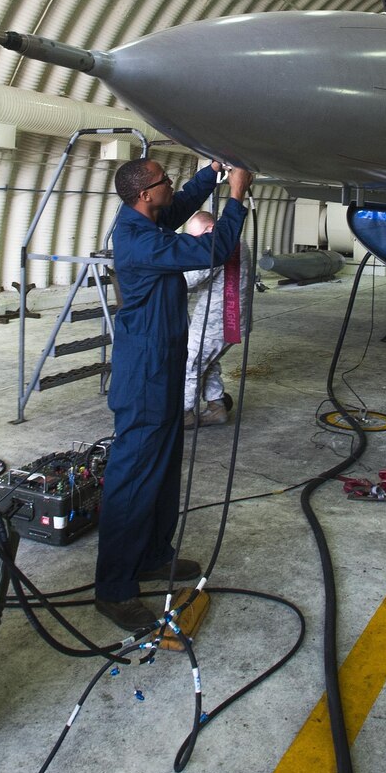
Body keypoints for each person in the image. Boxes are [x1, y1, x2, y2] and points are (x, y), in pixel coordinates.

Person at [94, 157, 249, 633]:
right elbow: (216, 247)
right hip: (143, 376)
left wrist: (210, 174)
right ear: (145, 194)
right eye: (164, 180)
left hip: (163, 366)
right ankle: (115, 588)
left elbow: (179, 204)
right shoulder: (140, 240)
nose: (170, 186)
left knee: (162, 469)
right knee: (134, 479)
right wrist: (237, 195)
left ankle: (153, 557)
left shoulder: (146, 217)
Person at [180, 210, 253, 427]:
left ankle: (184, 413)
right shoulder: (236, 239)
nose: (197, 243)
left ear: (210, 230)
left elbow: (191, 279)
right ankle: (216, 407)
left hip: (217, 321)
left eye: (198, 237)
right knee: (208, 361)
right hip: (232, 320)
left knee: (190, 362)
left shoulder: (218, 244)